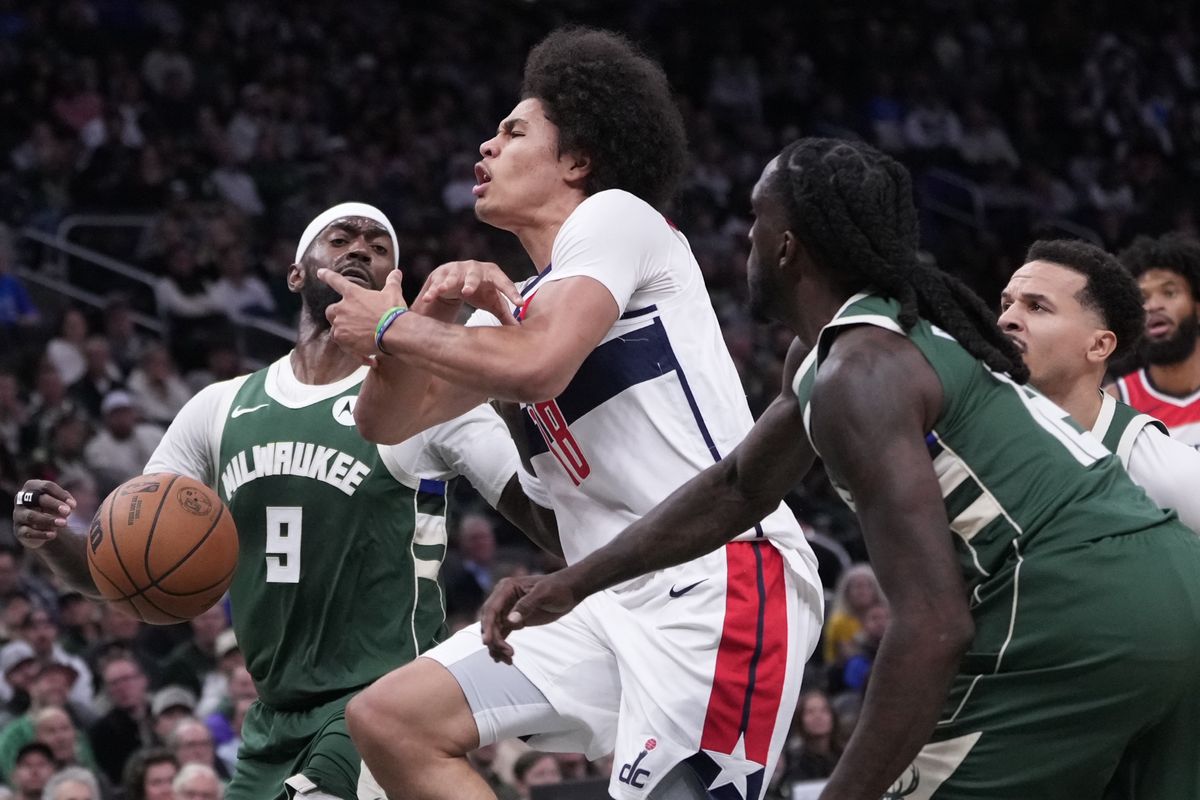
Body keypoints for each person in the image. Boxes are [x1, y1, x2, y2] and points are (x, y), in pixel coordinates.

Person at [477, 138, 1200, 799]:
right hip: (1170, 589)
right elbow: (737, 488)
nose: (746, 241)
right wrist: (575, 581)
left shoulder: (862, 374)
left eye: (756, 221)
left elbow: (933, 625)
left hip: (1071, 610)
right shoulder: (848, 347)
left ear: (788, 247)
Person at [323, 28, 823, 800]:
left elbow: (540, 365)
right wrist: (426, 312)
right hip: (603, 594)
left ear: (577, 161)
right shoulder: (509, 314)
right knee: (392, 720)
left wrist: (389, 327)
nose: (487, 146)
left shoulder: (617, 218)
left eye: (514, 131)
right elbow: (382, 422)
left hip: (717, 583)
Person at [13, 202, 556, 800]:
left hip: (384, 703)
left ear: (395, 287)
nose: (361, 249)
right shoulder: (217, 408)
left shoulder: (429, 400)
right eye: (341, 239)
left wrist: (515, 394)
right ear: (296, 274)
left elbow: (547, 520)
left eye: (380, 247)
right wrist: (52, 538)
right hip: (272, 718)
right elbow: (123, 571)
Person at [998, 238, 1200, 530]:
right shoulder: (967, 437)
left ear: (1099, 345)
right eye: (1006, 305)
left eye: (1037, 307)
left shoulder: (1168, 469)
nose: (1005, 319)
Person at [1113, 233, 1200, 445]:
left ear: (1198, 308)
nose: (1153, 306)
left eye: (1169, 293)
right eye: (1143, 298)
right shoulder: (1116, 405)